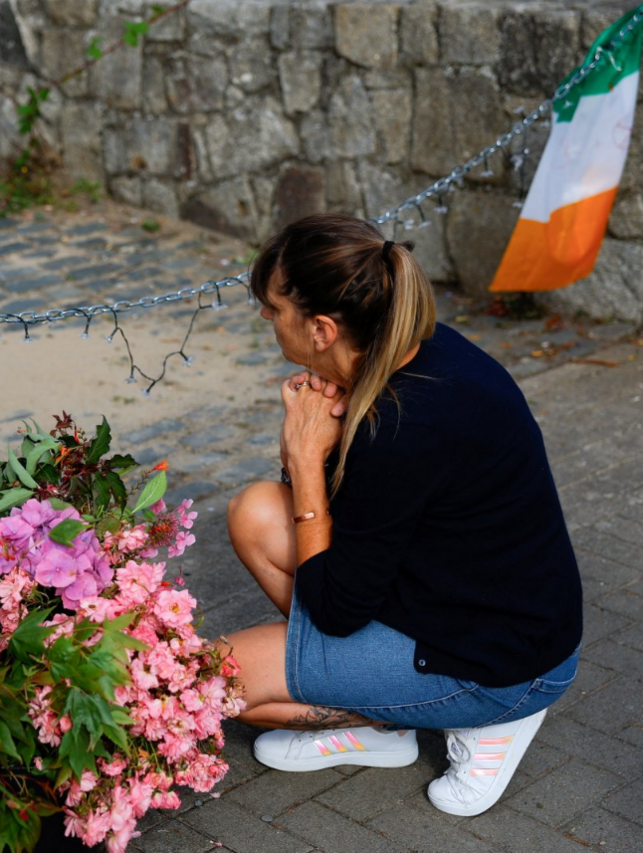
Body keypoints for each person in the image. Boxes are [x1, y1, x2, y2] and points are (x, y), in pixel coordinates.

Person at [222, 213, 582, 817]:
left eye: (274, 307)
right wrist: (309, 456)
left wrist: (305, 458)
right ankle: (386, 727)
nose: (265, 317)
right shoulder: (406, 348)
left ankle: (489, 721)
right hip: (442, 599)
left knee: (223, 681)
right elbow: (358, 524)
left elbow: (335, 612)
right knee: (255, 512)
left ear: (321, 328)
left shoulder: (402, 423)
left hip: (501, 663)